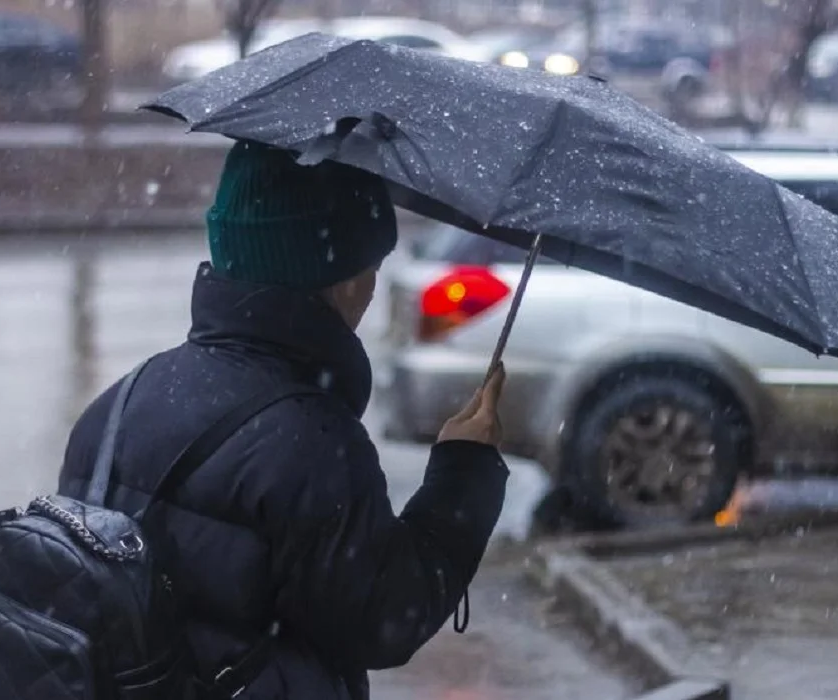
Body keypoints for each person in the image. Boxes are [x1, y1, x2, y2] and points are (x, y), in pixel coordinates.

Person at [57, 140, 509, 700]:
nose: (371, 285)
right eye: (371, 264)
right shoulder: (312, 443)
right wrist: (464, 473)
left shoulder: (120, 403)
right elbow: (386, 621)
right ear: (343, 276)